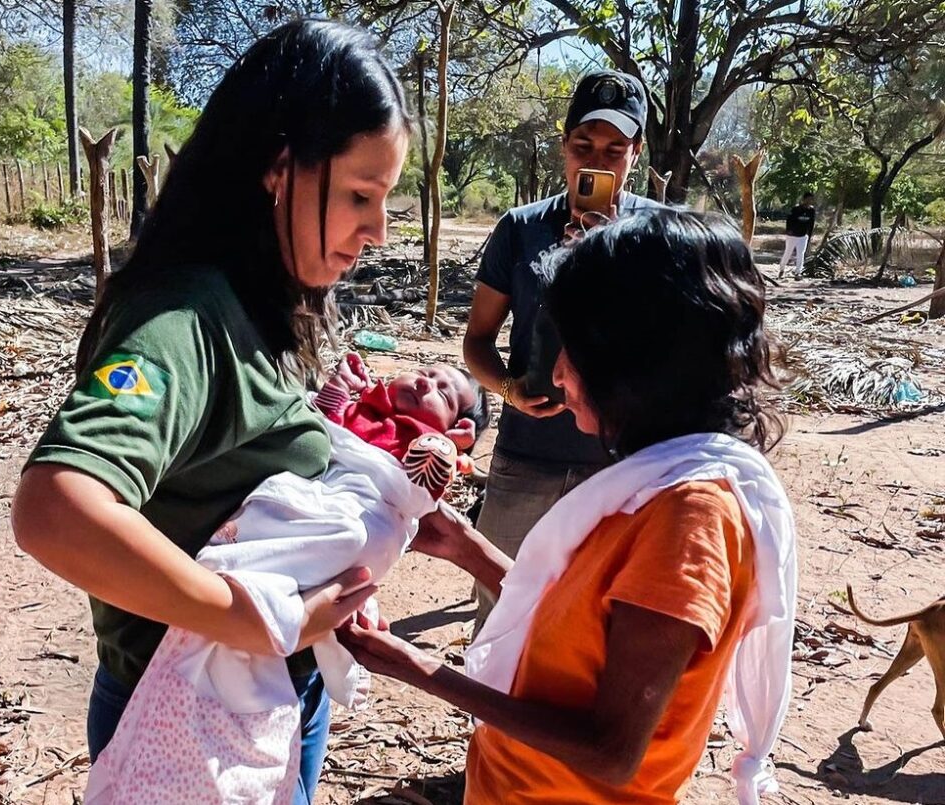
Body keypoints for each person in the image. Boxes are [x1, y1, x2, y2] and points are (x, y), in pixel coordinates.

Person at [11, 20, 410, 805]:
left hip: (261, 703)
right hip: (185, 729)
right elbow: (54, 506)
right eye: (361, 195)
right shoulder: (185, 318)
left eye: (385, 200)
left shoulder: (266, 303)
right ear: (278, 168)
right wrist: (248, 616)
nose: (378, 232)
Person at [340, 209, 798, 805]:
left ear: (636, 362)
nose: (556, 373)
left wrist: (418, 668)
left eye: (573, 350)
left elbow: (611, 751)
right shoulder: (651, 488)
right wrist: (466, 547)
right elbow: (580, 629)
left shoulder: (690, 521)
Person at [463, 69, 663, 633]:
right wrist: (509, 392)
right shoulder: (521, 229)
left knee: (598, 619)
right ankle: (489, 722)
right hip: (527, 455)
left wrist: (605, 259)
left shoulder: (659, 233)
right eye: (583, 146)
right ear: (564, 146)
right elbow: (476, 341)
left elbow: (673, 348)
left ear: (636, 153)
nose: (596, 161)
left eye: (615, 149)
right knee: (501, 612)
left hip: (622, 464)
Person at [314, 353, 490, 463]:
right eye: (424, 373)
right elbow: (319, 422)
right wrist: (342, 383)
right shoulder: (366, 408)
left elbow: (426, 478)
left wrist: (450, 445)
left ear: (455, 427)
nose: (425, 383)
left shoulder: (422, 445)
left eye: (444, 395)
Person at [778, 191, 816, 278]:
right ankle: (782, 269)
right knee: (788, 252)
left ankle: (798, 271)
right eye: (807, 199)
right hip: (792, 236)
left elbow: (811, 223)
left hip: (803, 236)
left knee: (801, 254)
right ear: (803, 199)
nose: (809, 201)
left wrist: (809, 236)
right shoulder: (796, 209)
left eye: (811, 199)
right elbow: (789, 221)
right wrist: (789, 231)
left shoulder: (811, 211)